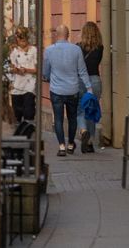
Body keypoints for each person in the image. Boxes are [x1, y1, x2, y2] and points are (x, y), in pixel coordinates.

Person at [43, 24, 92, 157]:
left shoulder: (48, 50)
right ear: (68, 34)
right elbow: (82, 71)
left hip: (56, 90)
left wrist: (47, 78)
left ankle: (61, 147)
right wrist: (89, 88)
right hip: (72, 90)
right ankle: (71, 143)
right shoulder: (76, 50)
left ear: (56, 35)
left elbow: (45, 72)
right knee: (72, 118)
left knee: (58, 119)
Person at [77, 21, 105, 153]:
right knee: (91, 111)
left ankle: (83, 132)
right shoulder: (100, 48)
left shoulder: (78, 47)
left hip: (81, 81)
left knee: (80, 109)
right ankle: (89, 142)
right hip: (95, 80)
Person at [9, 26, 38, 129]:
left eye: (23, 38)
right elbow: (11, 68)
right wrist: (16, 70)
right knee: (17, 112)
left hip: (29, 84)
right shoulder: (14, 51)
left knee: (29, 110)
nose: (21, 40)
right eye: (19, 37)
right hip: (17, 85)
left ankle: (28, 132)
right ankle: (19, 134)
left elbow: (37, 69)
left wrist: (26, 70)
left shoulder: (33, 50)